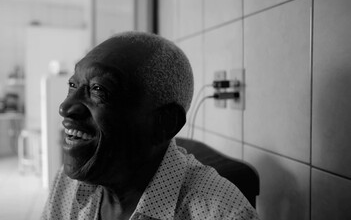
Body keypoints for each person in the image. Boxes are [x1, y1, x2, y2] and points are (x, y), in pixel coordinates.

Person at [41, 31, 259, 220]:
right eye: (73, 85)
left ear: (163, 124)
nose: (65, 107)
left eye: (98, 89)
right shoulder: (69, 185)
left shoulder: (223, 213)